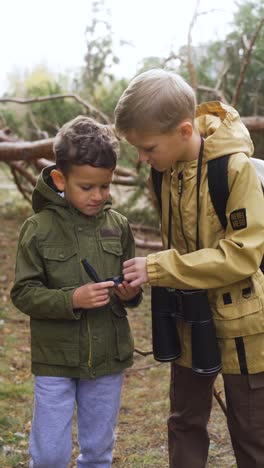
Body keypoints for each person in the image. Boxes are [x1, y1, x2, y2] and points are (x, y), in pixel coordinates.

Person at [114, 68, 264, 468]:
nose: (142, 159)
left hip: (244, 331)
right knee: (184, 424)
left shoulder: (235, 170)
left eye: (147, 148)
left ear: (184, 130)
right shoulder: (163, 173)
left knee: (252, 436)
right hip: (187, 322)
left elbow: (242, 255)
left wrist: (159, 268)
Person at [10, 115, 142, 468]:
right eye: (87, 187)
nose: (98, 196)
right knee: (50, 456)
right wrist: (72, 299)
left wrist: (131, 293)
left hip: (107, 360)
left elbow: (131, 286)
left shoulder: (119, 227)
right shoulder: (36, 229)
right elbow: (23, 293)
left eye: (105, 186)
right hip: (55, 359)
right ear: (59, 179)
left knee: (98, 451)